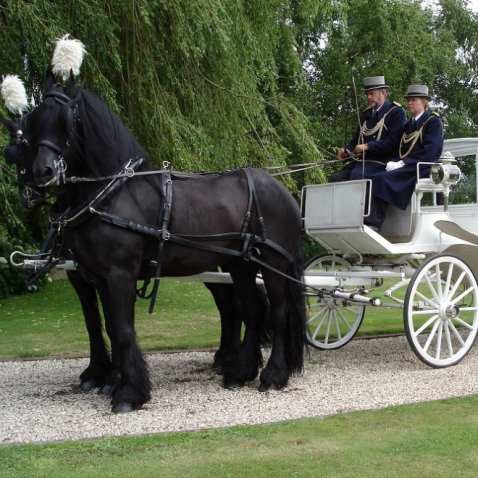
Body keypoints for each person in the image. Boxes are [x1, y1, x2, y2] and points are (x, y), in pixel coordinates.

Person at [365, 84, 444, 232]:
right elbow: (400, 149)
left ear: (424, 102)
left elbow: (430, 152)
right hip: (409, 165)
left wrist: (403, 162)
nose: (410, 103)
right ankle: (370, 220)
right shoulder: (409, 125)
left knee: (382, 179)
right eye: (408, 100)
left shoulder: (432, 122)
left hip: (423, 167)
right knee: (375, 176)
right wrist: (394, 161)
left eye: (414, 100)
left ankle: (374, 224)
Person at [331, 76, 406, 183]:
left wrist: (367, 146)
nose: (368, 97)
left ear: (383, 93)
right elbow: (356, 142)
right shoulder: (365, 115)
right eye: (366, 94)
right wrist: (347, 151)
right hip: (364, 162)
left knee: (357, 175)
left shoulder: (395, 112)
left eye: (372, 94)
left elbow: (392, 142)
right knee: (337, 178)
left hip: (383, 161)